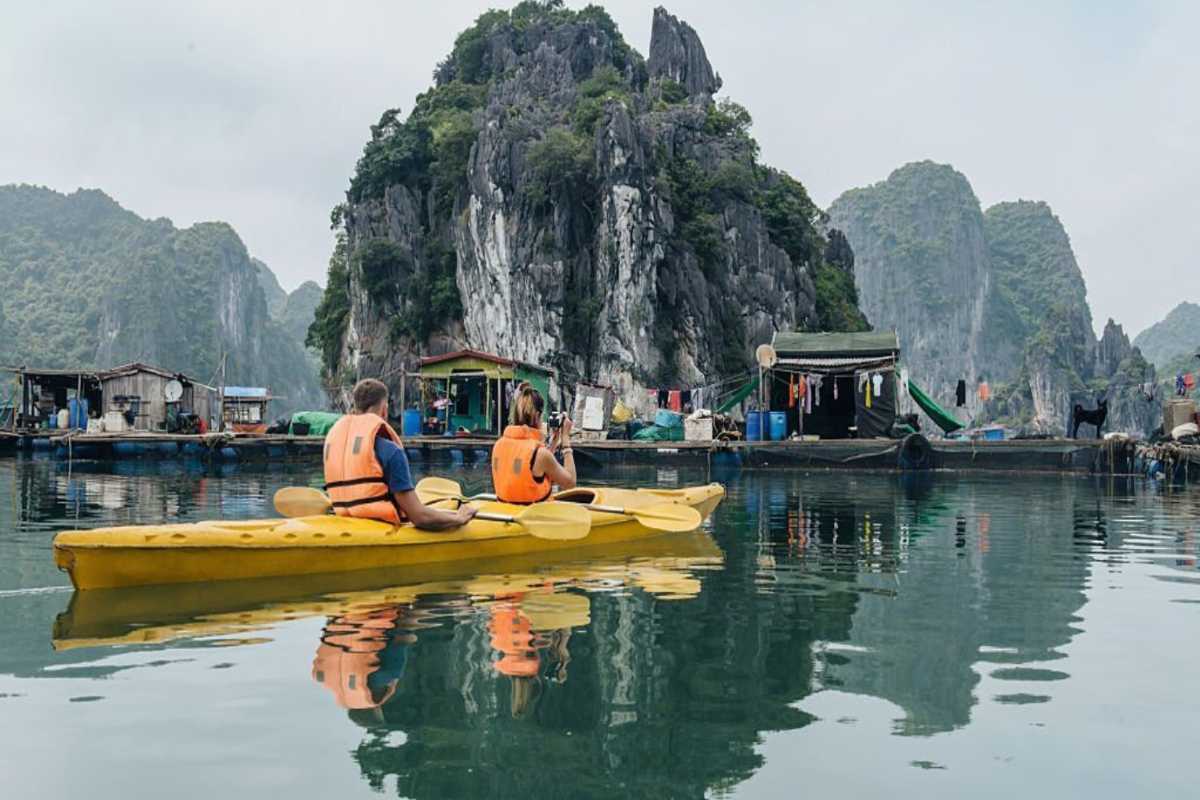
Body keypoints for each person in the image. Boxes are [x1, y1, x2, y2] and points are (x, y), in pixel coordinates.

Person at [324, 378, 475, 530]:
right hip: (379, 530)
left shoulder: (334, 445)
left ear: (355, 408)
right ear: (384, 409)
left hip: (344, 520)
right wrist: (459, 518)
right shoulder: (390, 451)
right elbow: (419, 517)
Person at [490, 382, 576, 503]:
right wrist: (566, 440)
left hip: (506, 512)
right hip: (533, 516)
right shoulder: (540, 454)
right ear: (537, 416)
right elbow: (570, 483)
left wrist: (554, 442)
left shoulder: (498, 445)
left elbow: (534, 470)